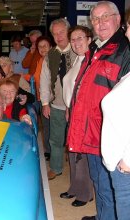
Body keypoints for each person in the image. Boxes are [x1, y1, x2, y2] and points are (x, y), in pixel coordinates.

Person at [67, 1, 130, 220]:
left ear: (118, 20)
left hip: (108, 134)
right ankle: (104, 219)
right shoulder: (95, 48)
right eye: (95, 19)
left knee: (110, 188)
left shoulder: (124, 51)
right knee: (99, 183)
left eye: (106, 17)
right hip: (93, 132)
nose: (100, 23)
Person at [101, 8, 130, 220]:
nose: (126, 33)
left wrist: (128, 160)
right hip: (119, 160)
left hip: (125, 165)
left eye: (128, 27)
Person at [60, 26, 94, 207]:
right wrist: (67, 107)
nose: (76, 43)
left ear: (89, 39)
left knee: (82, 155)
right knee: (73, 153)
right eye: (73, 40)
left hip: (84, 114)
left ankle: (85, 193)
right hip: (72, 111)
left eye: (80, 38)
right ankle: (74, 187)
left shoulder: (91, 60)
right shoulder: (78, 59)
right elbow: (71, 88)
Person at [40, 18, 76, 180]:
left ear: (68, 31)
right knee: (55, 139)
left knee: (75, 140)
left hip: (76, 106)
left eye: (61, 32)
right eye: (55, 34)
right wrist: (45, 103)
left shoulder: (79, 51)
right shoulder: (50, 55)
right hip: (57, 105)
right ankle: (56, 167)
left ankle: (77, 172)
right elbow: (44, 80)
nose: (58, 36)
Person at [34, 36, 52, 160]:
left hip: (50, 99)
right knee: (46, 126)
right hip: (42, 97)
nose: (42, 48)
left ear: (51, 46)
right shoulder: (41, 60)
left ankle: (51, 151)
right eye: (40, 46)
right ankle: (48, 150)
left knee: (51, 126)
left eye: (45, 45)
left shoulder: (51, 60)